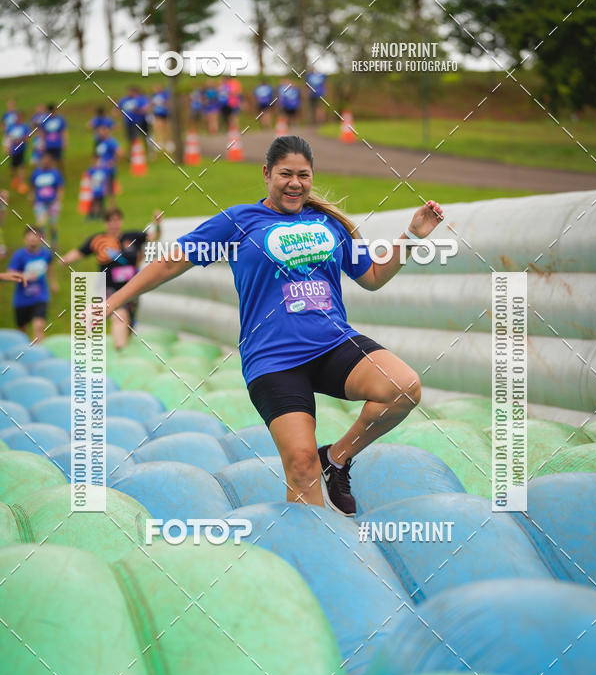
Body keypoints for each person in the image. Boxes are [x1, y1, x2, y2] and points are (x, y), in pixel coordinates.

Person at [98, 136, 443, 515]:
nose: (295, 183)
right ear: (267, 174)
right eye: (285, 174)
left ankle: (337, 459)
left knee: (403, 387)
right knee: (300, 467)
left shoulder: (329, 224)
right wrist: (114, 301)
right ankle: (313, 555)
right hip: (273, 359)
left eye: (303, 175)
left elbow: (374, 276)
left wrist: (411, 236)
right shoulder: (238, 221)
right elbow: (170, 262)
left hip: (331, 344)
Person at [63, 207, 162, 350]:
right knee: (119, 316)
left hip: (132, 288)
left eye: (117, 220)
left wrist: (158, 224)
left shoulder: (132, 237)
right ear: (105, 223)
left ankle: (124, 348)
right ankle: (120, 350)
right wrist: (64, 259)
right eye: (110, 220)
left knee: (129, 324)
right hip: (109, 289)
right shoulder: (98, 240)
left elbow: (155, 236)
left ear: (121, 221)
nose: (114, 224)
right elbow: (80, 252)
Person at [8, 226, 57, 343]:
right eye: (30, 237)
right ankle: (24, 354)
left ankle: (39, 355)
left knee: (38, 326)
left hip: (40, 296)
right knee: (22, 332)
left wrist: (53, 282)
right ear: (24, 239)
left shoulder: (46, 254)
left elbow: (49, 267)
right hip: (21, 299)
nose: (33, 240)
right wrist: (25, 275)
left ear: (41, 239)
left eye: (36, 237)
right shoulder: (19, 255)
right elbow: (10, 273)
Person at [29, 152, 64, 251]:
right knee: (41, 224)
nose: (45, 162)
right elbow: (32, 187)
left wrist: (58, 199)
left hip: (52, 202)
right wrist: (31, 197)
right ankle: (44, 244)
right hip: (40, 202)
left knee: (53, 224)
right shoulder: (36, 173)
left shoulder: (55, 173)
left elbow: (60, 187)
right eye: (44, 160)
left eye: (47, 160)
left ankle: (54, 242)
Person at [95, 125, 121, 204]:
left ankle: (112, 205)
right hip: (100, 169)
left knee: (109, 189)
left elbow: (120, 152)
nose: (99, 133)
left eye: (101, 131)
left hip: (108, 170)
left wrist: (112, 162)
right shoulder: (99, 141)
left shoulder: (111, 142)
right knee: (101, 188)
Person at [6, 111, 29, 193]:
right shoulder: (10, 127)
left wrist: (21, 140)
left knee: (22, 166)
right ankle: (15, 179)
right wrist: (7, 148)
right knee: (13, 167)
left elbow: (27, 138)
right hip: (13, 150)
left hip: (21, 149)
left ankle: (22, 183)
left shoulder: (25, 127)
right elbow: (7, 138)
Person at [150, 85, 171, 153]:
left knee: (166, 128)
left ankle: (168, 142)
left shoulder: (165, 94)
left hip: (165, 113)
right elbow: (151, 104)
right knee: (158, 129)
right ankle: (159, 142)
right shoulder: (153, 95)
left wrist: (165, 104)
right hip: (157, 114)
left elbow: (168, 102)